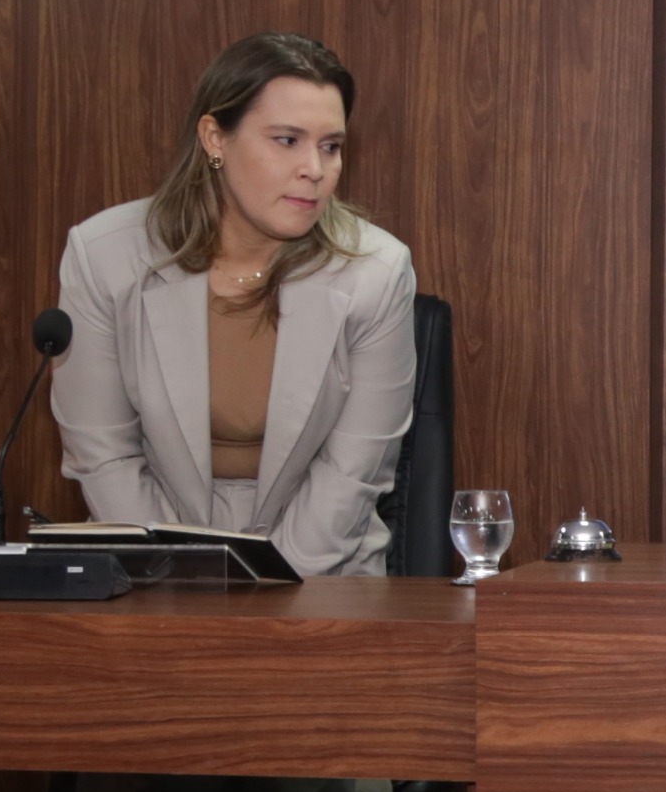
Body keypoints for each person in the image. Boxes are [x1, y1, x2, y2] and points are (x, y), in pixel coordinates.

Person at [51, 31, 417, 576]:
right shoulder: (104, 256)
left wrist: (269, 589)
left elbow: (350, 476)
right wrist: (183, 577)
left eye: (330, 146)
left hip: (324, 573)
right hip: (152, 568)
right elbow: (105, 457)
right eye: (287, 140)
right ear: (214, 138)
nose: (315, 169)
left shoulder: (377, 271)